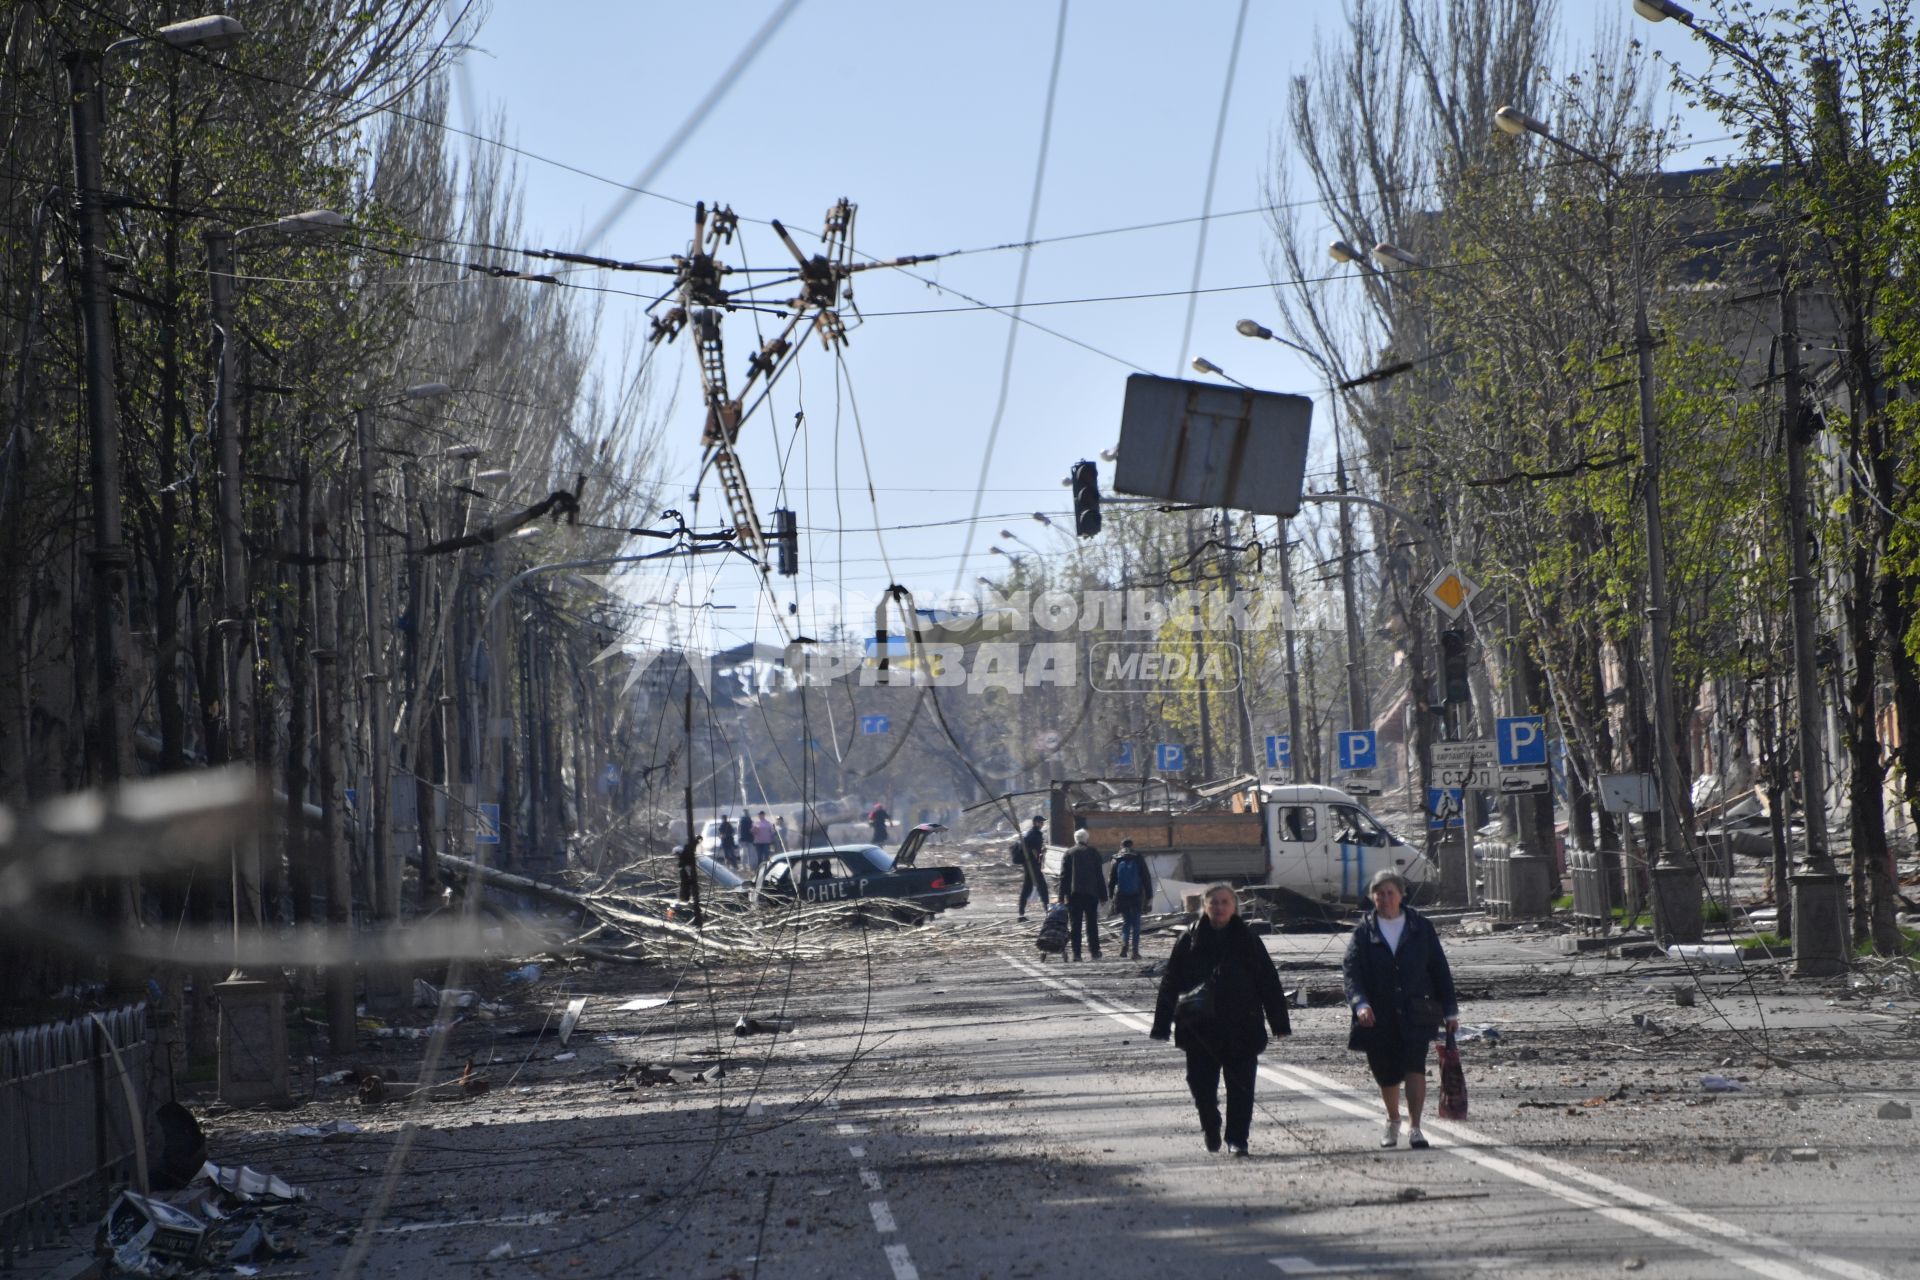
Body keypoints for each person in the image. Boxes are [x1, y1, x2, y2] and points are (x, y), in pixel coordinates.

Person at [1150, 884, 1292, 1156]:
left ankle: (1237, 1139)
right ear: (1204, 906)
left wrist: (1279, 1023)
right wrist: (1161, 1024)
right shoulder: (1189, 940)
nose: (1219, 907)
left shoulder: (1248, 939)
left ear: (1234, 907)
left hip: (1242, 1025)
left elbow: (1268, 982)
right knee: (1200, 1084)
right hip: (1200, 1028)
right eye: (1213, 902)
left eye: (1225, 902)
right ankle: (1211, 1123)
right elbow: (1170, 982)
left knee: (1241, 1087)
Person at [1342, 868, 1459, 1151]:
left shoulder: (1420, 927)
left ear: (1401, 895)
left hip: (1416, 1009)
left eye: (1389, 893)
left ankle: (1415, 1127)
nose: (1384, 898)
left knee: (1414, 1066)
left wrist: (1450, 1010)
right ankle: (1393, 1119)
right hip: (1378, 1013)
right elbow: (1352, 972)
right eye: (1378, 894)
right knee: (1386, 1072)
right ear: (1372, 898)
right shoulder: (1363, 932)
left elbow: (1439, 968)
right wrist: (1360, 1003)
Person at [1055, 828, 1106, 960]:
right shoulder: (1093, 853)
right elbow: (1099, 876)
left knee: (1075, 925)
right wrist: (1103, 896)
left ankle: (1076, 954)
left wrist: (1061, 897)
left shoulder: (1069, 853)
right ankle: (1094, 952)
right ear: (1086, 839)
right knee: (1092, 924)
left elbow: (1064, 877)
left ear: (1075, 839)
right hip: (1091, 894)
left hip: (1074, 895)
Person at [1107, 838, 1154, 959]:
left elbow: (1111, 880)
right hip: (1137, 895)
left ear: (1121, 846)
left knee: (1126, 922)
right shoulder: (1138, 857)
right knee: (1136, 923)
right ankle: (1135, 951)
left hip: (1122, 895)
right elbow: (1146, 877)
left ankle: (1124, 946)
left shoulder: (1116, 858)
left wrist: (1111, 895)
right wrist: (1149, 895)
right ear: (1132, 845)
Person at [1016, 814, 1050, 920]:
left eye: (1043, 822)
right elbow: (1035, 850)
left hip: (1029, 864)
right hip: (1033, 865)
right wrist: (1039, 860)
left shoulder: (1030, 833)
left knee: (1027, 887)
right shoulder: (1035, 834)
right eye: (1041, 822)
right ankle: (1047, 911)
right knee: (1043, 888)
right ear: (1036, 823)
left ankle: (1021, 913)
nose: (1042, 824)